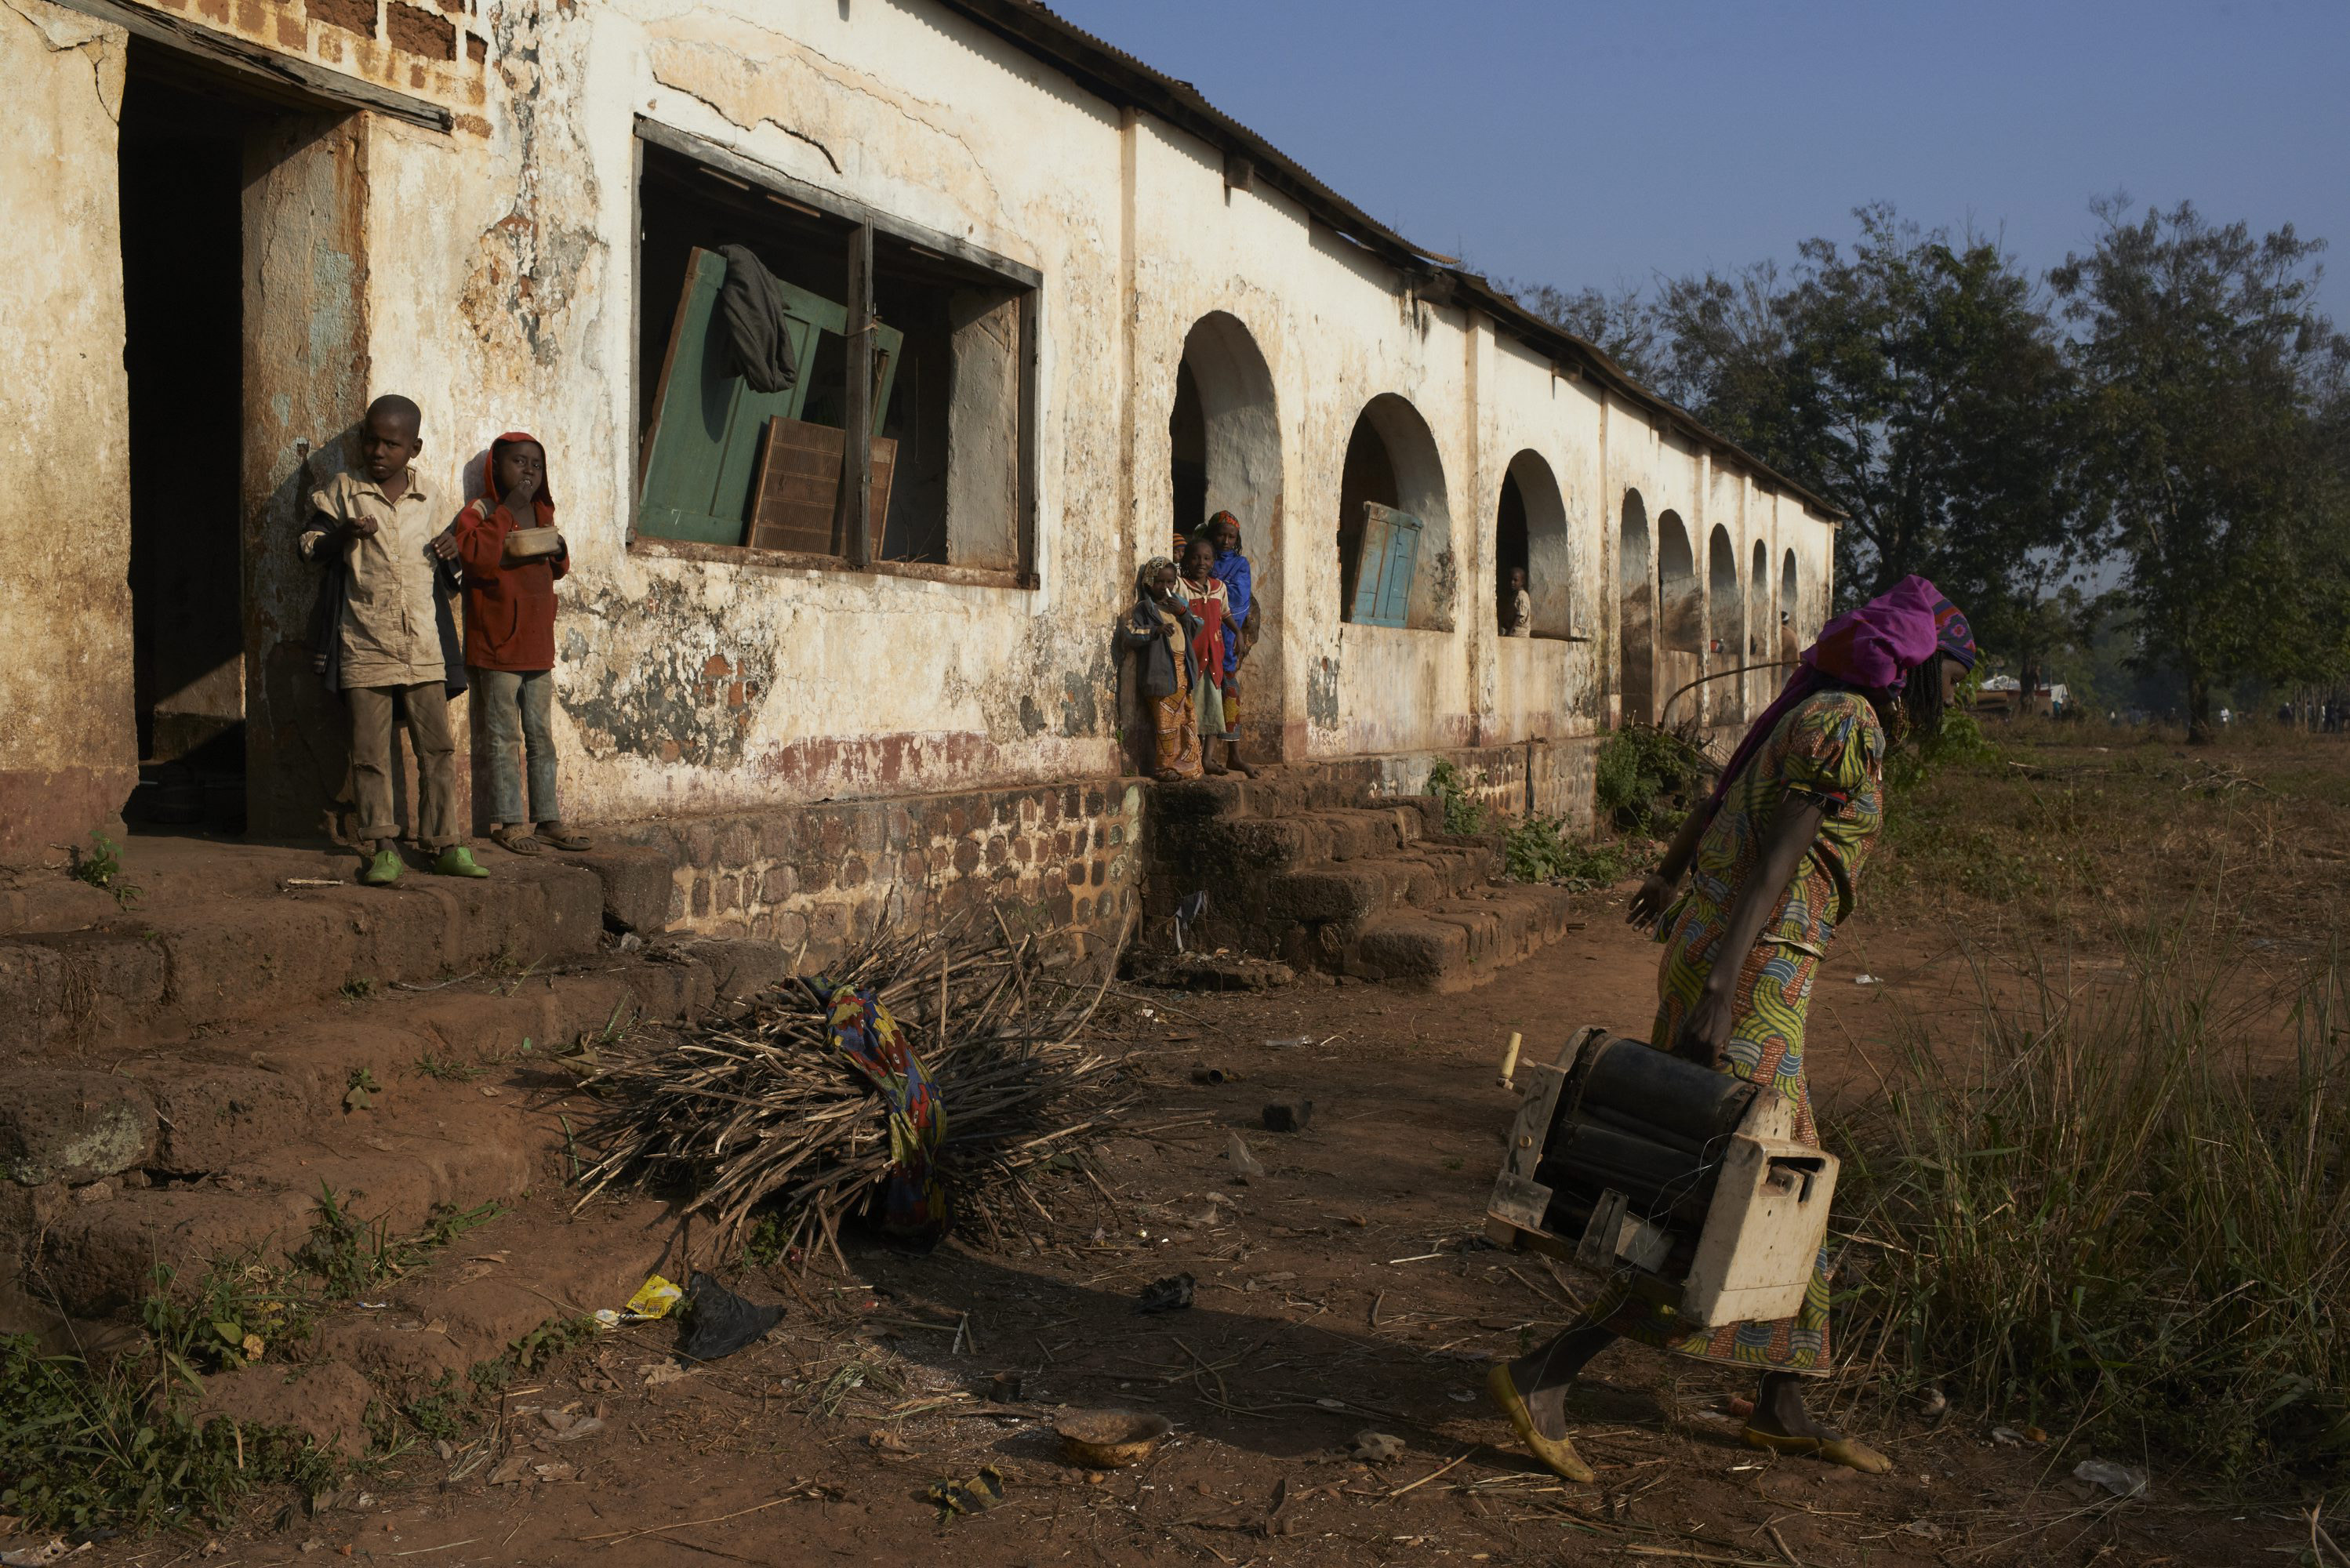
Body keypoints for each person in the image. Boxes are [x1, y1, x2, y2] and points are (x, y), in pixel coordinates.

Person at [1486, 575, 1978, 1482]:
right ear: (1917, 663)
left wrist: (1675, 882)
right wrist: (1722, 987)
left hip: (1748, 965)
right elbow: (1778, 860)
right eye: (1952, 675)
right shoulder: (1848, 724)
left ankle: (1783, 1399)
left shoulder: (1822, 709)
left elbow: (1723, 801)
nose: (1955, 695)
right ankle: (1544, 1374)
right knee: (1731, 1192)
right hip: (1752, 976)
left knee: (1788, 1182)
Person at [301, 395, 487, 887]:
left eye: (391, 444)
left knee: (438, 749)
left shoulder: (430, 497)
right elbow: (309, 547)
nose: (378, 452)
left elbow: (454, 572)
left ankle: (445, 843)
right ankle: (383, 846)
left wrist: (452, 550)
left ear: (414, 449)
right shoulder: (344, 491)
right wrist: (344, 534)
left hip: (423, 644)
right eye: (371, 440)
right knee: (369, 752)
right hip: (364, 642)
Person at [451, 432, 591, 856]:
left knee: (540, 736)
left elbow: (558, 568)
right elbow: (475, 559)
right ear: (495, 468)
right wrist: (507, 509)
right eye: (519, 462)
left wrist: (560, 549)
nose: (529, 470)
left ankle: (548, 818)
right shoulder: (480, 512)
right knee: (503, 737)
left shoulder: (542, 511)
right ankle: (510, 822)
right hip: (497, 647)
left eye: (536, 464)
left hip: (536, 643)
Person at [1120, 557, 1203, 782]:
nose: (1165, 587)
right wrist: (1155, 631)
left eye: (1170, 582)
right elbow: (1129, 633)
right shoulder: (1145, 608)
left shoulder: (1177, 605)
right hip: (1161, 673)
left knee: (1186, 718)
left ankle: (1187, 767)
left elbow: (1197, 627)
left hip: (1182, 672)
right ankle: (1166, 768)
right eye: (1159, 582)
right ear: (1149, 582)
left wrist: (1183, 612)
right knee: (1166, 721)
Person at [1205, 511, 1262, 776]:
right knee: (1205, 696)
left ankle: (1234, 755)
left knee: (1230, 693)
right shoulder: (1203, 558)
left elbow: (1237, 599)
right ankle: (1203, 756)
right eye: (1221, 535)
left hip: (1226, 638)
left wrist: (1213, 587)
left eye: (1231, 537)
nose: (1226, 541)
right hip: (1202, 638)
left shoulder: (1240, 564)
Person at [1177, 535, 1233, 776]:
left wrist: (1238, 633)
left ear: (1213, 561)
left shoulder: (1219, 588)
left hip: (1214, 657)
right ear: (1186, 560)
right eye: (1196, 558)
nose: (1201, 563)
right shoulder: (1181, 586)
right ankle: (1194, 756)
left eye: (1207, 558)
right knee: (1192, 709)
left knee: (1213, 707)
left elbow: (1225, 614)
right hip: (1192, 656)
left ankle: (1207, 758)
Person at [1501, 565, 1531, 638]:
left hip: (1519, 633)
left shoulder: (1522, 596)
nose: (1512, 582)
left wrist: (1508, 633)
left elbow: (1518, 616)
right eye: (1510, 579)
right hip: (1515, 630)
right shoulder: (1516, 595)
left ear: (1522, 582)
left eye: (1515, 580)